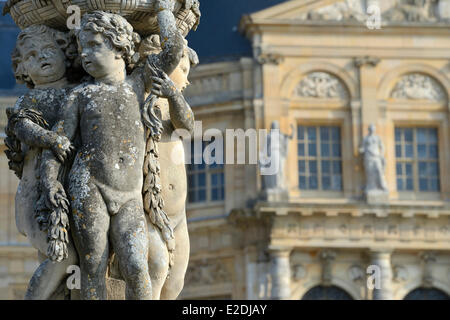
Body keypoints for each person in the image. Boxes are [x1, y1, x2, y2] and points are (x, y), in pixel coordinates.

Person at [40, 11, 154, 300]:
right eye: (81, 49)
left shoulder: (137, 83)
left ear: (120, 47)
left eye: (93, 45)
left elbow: (174, 49)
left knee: (138, 266)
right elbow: (59, 142)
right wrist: (50, 181)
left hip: (129, 193)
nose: (85, 55)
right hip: (89, 185)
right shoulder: (80, 95)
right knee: (92, 263)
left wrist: (165, 11)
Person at [5, 24, 78, 299]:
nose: (42, 58)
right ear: (22, 68)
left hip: (69, 196)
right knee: (64, 256)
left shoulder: (78, 94)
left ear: (66, 52)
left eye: (49, 51)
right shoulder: (30, 99)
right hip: (37, 196)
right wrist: (51, 139)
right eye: (32, 56)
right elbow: (23, 127)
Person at [360, 124, 388, 192]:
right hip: (368, 156)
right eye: (371, 128)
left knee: (379, 170)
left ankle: (381, 186)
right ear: (369, 130)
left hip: (376, 156)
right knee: (370, 172)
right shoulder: (366, 138)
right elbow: (362, 147)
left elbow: (382, 146)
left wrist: (382, 154)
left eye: (373, 129)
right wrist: (361, 150)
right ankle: (371, 187)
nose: (372, 130)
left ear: (374, 130)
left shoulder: (377, 138)